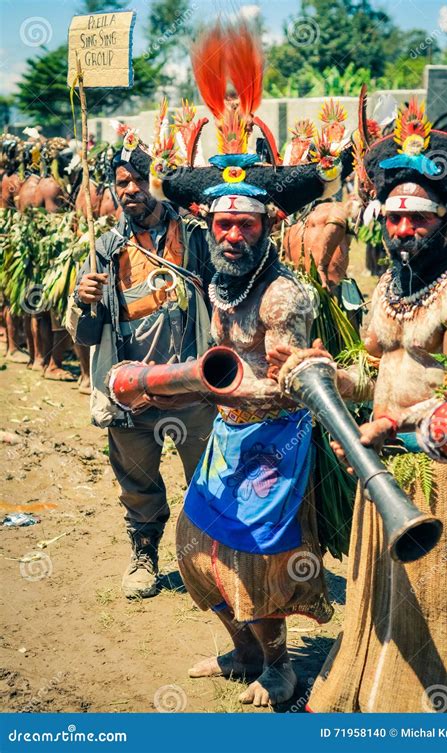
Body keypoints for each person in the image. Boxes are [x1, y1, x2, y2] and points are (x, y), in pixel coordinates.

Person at [149, 21, 343, 707]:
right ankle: (239, 648)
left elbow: (295, 387)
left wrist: (222, 383)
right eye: (222, 226)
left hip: (275, 442)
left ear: (269, 228)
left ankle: (280, 669)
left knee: (258, 563)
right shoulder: (216, 280)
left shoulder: (283, 295)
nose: (232, 236)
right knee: (195, 546)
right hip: (229, 437)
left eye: (246, 226)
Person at [269, 98, 447, 712]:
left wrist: (395, 425)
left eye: (419, 219)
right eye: (394, 219)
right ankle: (369, 687)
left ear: (446, 220)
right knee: (383, 593)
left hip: (438, 472)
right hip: (378, 466)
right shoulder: (386, 285)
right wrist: (328, 374)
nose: (403, 231)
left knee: (436, 597)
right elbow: (372, 369)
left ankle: (423, 708)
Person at [66, 122, 216, 599]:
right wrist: (83, 300)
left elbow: (224, 297)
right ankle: (144, 554)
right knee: (138, 482)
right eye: (122, 182)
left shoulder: (194, 236)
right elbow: (87, 333)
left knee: (210, 477)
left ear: (159, 177)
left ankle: (210, 563)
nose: (130, 190)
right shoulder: (105, 248)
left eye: (139, 178)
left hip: (193, 388)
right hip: (133, 391)